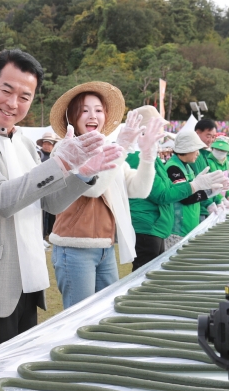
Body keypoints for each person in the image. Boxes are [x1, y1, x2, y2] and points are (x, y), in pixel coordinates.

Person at [0, 49, 121, 355]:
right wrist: (61, 163)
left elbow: (50, 203)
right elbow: (1, 198)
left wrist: (83, 174)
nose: (13, 103)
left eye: (24, 96)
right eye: (6, 90)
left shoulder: (23, 140)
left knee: (14, 379)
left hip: (26, 282)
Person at [47, 86, 165, 308]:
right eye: (84, 110)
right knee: (77, 319)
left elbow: (139, 190)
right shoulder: (66, 147)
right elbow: (92, 188)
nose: (93, 115)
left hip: (105, 248)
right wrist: (122, 146)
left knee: (103, 315)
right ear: (72, 116)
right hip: (75, 248)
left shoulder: (108, 148)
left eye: (98, 110)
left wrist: (148, 156)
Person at [127, 109, 228, 270]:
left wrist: (209, 191)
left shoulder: (154, 158)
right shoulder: (139, 158)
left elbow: (168, 190)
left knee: (154, 277)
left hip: (158, 227)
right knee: (145, 280)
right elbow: (163, 194)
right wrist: (198, 187)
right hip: (149, 227)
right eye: (158, 128)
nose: (161, 134)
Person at [165, 130, 226, 248]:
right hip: (178, 229)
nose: (198, 154)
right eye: (196, 149)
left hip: (189, 225)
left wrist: (212, 190)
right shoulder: (173, 168)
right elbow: (185, 198)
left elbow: (194, 191)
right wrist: (209, 192)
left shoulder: (186, 167)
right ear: (187, 149)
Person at [36, 130, 60, 237]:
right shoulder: (38, 155)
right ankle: (42, 233)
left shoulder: (56, 157)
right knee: (41, 213)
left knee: (52, 212)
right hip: (40, 188)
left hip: (53, 187)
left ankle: (50, 232)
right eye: (45, 143)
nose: (47, 146)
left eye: (49, 144)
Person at [192, 119, 217, 221]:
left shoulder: (204, 154)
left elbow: (210, 183)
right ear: (197, 133)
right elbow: (199, 185)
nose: (211, 140)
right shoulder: (194, 155)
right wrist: (208, 203)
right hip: (199, 208)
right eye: (208, 136)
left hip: (205, 205)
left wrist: (219, 199)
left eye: (213, 137)